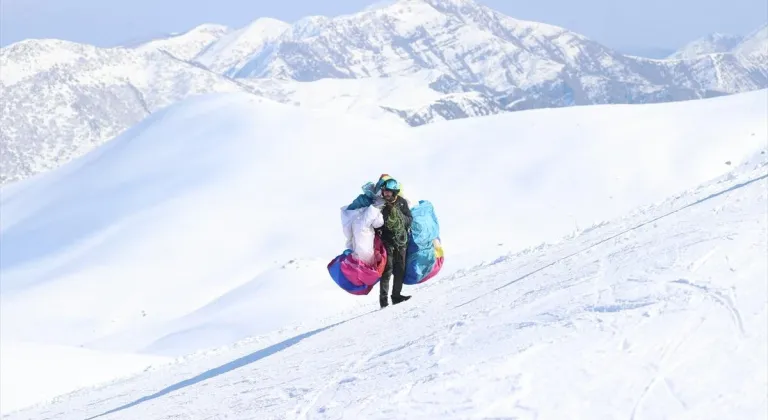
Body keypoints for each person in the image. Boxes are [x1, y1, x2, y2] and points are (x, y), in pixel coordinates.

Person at [374, 177, 413, 308]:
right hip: (387, 241)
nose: (386, 194)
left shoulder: (402, 202)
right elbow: (375, 223)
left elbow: (409, 219)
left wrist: (399, 217)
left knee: (400, 269)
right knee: (387, 269)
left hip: (401, 242)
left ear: (395, 192)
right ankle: (383, 301)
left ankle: (396, 296)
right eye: (385, 192)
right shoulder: (380, 205)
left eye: (389, 192)